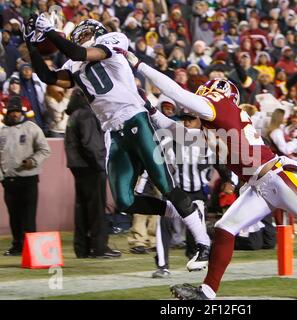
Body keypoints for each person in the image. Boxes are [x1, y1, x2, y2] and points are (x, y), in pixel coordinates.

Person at [119, 49, 297, 299]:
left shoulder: (219, 106)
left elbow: (178, 94)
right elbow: (177, 132)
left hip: (277, 179)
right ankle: (207, 292)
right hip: (259, 185)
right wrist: (149, 108)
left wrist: (137, 64)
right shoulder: (214, 122)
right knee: (225, 229)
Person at [24, 15, 210, 271]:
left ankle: (203, 244)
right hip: (113, 132)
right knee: (124, 201)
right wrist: (31, 44)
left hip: (135, 119)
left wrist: (52, 32)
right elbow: (47, 76)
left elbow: (78, 52)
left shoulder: (112, 41)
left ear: (97, 31)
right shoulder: (74, 64)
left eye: (85, 31)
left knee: (165, 184)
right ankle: (184, 211)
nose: (82, 34)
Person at [64, 89, 121, 259]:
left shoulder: (73, 116)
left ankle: (81, 248)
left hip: (78, 166)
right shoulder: (87, 114)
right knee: (97, 208)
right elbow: (91, 144)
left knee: (81, 208)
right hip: (91, 167)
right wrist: (101, 165)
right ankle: (99, 247)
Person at [0, 96, 51, 256]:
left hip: (29, 178)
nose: (14, 114)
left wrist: (33, 160)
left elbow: (45, 150)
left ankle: (31, 249)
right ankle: (17, 246)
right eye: (12, 111)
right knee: (14, 216)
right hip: (9, 180)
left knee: (29, 216)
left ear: (22, 111)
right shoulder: (2, 131)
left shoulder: (32, 128)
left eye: (17, 111)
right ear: (8, 112)